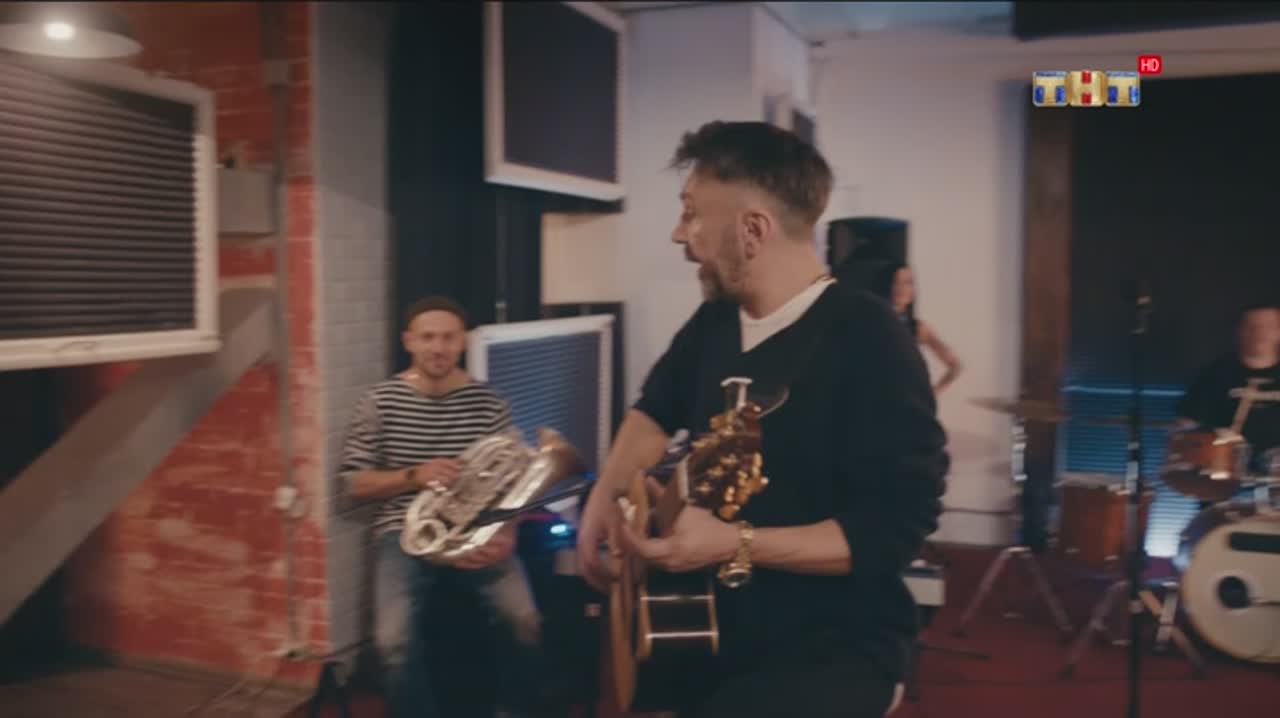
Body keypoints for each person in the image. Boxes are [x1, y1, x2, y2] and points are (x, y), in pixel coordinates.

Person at [576, 121, 950, 718]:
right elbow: (653, 413)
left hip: (830, 646)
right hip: (707, 627)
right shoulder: (715, 322)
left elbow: (891, 532)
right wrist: (604, 497)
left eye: (691, 214)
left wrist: (736, 543)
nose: (679, 234)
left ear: (753, 230)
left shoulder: (870, 338)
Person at [340, 295, 550, 718]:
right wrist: (415, 475)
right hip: (404, 530)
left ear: (463, 342)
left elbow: (514, 479)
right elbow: (353, 482)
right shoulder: (379, 401)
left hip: (476, 529)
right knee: (391, 640)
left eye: (448, 338)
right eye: (428, 337)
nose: (438, 348)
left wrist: (506, 532)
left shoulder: (488, 401)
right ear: (409, 341)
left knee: (525, 618)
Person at [1177, 303, 1280, 477]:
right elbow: (1187, 423)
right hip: (1223, 472)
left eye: (1267, 327)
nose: (1259, 333)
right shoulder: (1215, 374)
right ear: (1239, 331)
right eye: (1252, 326)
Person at [875, 261, 963, 396]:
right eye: (896, 282)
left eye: (907, 283)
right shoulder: (875, 322)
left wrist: (930, 395)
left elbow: (955, 366)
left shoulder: (917, 328)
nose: (901, 288)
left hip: (906, 401)